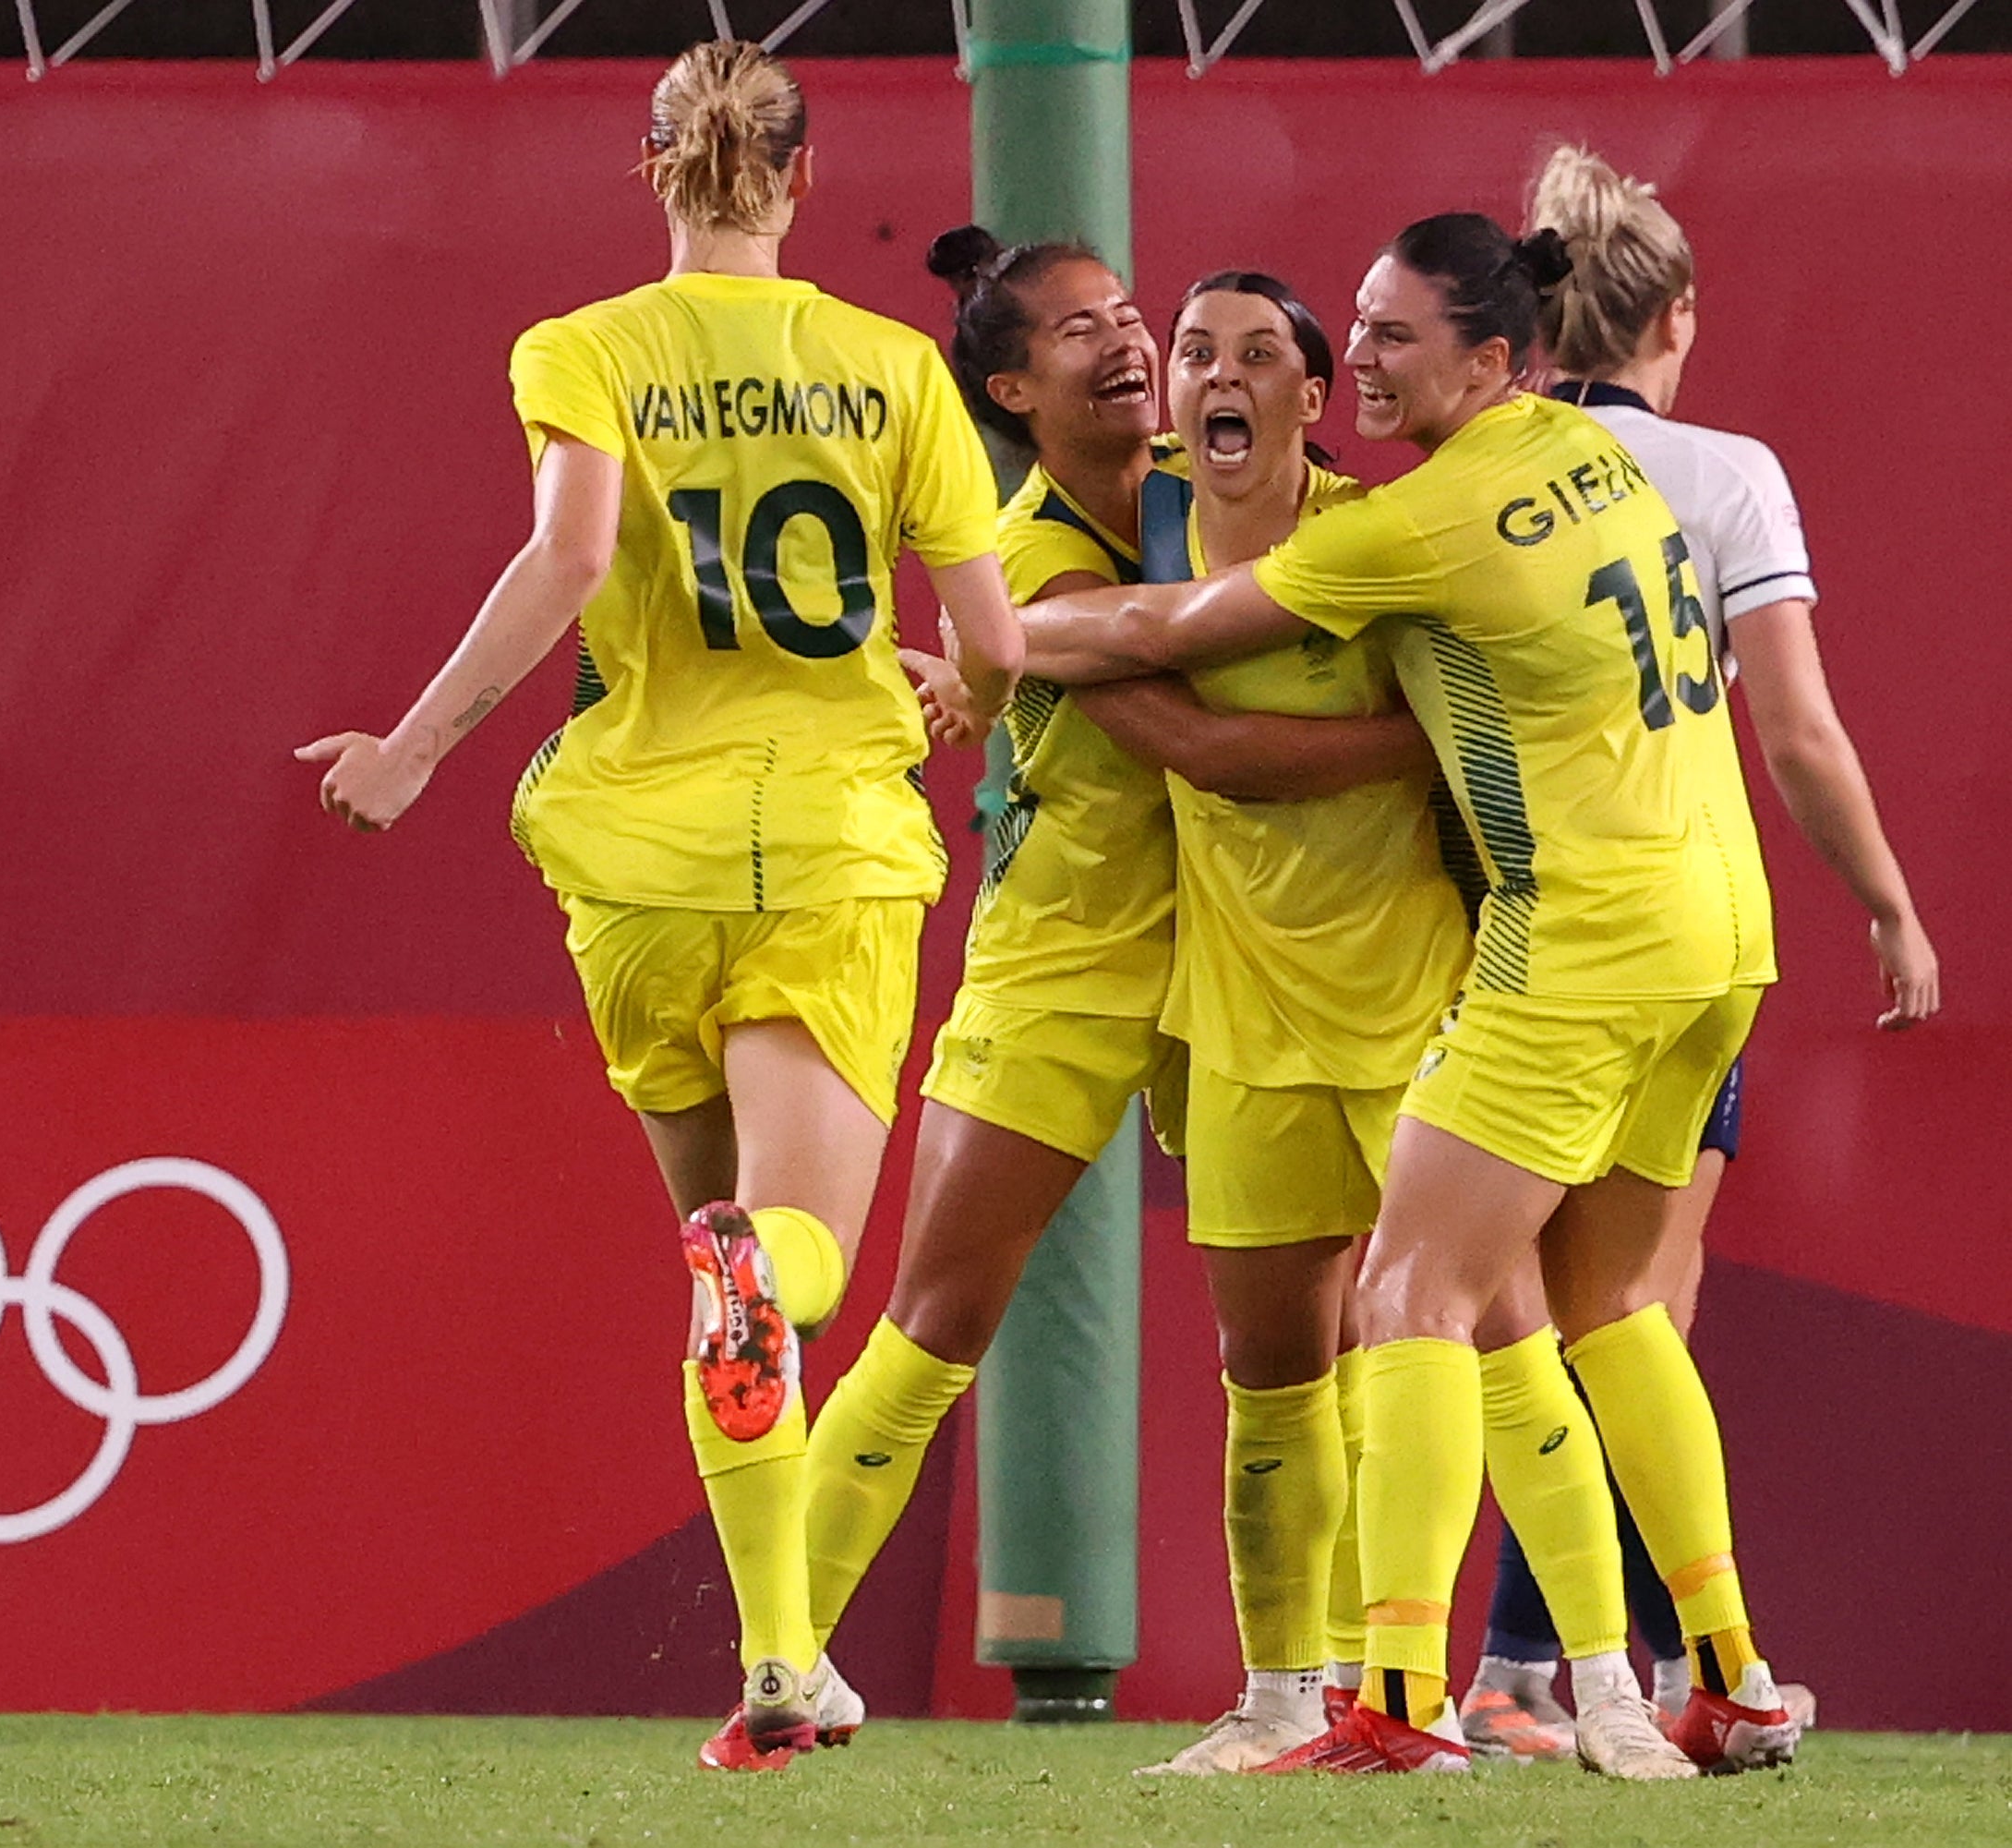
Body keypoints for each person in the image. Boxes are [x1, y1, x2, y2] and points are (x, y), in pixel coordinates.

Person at [296, 40, 1024, 1773]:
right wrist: (966, 705)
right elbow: (992, 638)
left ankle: (784, 1660)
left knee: (728, 1309)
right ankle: (757, 1317)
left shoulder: (584, 348)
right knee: (791, 1271)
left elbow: (566, 557)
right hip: (828, 845)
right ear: (802, 177)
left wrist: (410, 746)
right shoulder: (889, 369)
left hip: (634, 858)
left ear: (655, 171)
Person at [1019, 211, 1798, 1777]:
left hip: (1567, 936)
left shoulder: (1415, 522)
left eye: (1386, 336)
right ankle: (1728, 1673)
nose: (1359, 356)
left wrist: (993, 638)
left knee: (1412, 1302)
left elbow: (1174, 629)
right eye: (1357, 326)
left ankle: (1391, 1697)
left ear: (1499, 360)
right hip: (1718, 920)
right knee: (1612, 1308)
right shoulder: (1602, 465)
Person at [788, 236, 1427, 1766]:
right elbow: (1213, 748)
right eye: (1083, 333)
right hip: (1068, 955)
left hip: (1248, 957)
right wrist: (1430, 743)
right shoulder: (1018, 554)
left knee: (1312, 1343)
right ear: (1012, 387)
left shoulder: (1216, 483)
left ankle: (1332, 1695)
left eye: (1132, 318)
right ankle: (777, 1645)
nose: (1132, 346)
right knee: (940, 1311)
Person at [1460, 142, 1942, 1759]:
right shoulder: (1723, 472)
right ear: (1677, 313)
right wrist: (1886, 898)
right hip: (1670, 934)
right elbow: (1795, 731)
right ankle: (1580, 1665)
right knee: (1624, 1313)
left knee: (1550, 1307)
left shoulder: (1479, 459)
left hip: (1503, 928)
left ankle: (1563, 1661)